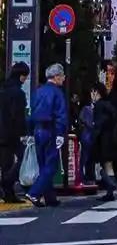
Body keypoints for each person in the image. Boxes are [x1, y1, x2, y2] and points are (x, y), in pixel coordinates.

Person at [25, 63, 68, 208]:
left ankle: (50, 198)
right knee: (51, 165)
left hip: (37, 130)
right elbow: (61, 115)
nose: (64, 79)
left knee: (43, 164)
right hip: (51, 130)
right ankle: (34, 192)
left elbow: (31, 112)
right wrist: (61, 134)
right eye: (62, 76)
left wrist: (29, 132)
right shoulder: (57, 93)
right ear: (56, 77)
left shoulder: (39, 91)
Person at [0, 62, 29, 203]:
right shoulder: (18, 93)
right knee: (22, 159)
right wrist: (23, 134)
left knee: (6, 163)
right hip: (12, 134)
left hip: (2, 132)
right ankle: (6, 184)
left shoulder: (3, 89)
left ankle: (8, 193)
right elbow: (18, 116)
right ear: (21, 76)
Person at [90, 84, 117, 201]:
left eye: (93, 92)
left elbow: (98, 125)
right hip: (112, 139)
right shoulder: (109, 105)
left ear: (97, 92)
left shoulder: (99, 106)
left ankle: (111, 184)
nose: (91, 95)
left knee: (101, 165)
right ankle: (110, 192)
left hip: (102, 140)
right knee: (108, 165)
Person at [78, 95, 95, 185]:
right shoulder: (90, 109)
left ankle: (83, 177)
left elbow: (82, 121)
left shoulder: (85, 109)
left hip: (85, 135)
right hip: (90, 136)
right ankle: (89, 177)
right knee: (88, 158)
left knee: (84, 158)